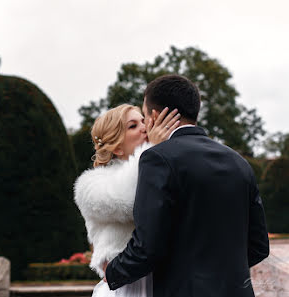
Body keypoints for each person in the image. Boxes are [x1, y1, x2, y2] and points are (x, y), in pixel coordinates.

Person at [104, 75, 270, 297]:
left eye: (144, 115)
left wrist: (113, 273)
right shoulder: (239, 162)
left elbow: (147, 247)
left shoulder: (157, 159)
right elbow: (259, 245)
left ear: (154, 115)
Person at [74, 103, 180, 297]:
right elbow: (130, 201)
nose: (145, 128)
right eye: (133, 126)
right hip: (126, 285)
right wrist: (151, 150)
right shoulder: (90, 185)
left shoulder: (163, 170)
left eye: (143, 121)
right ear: (117, 147)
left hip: (166, 281)